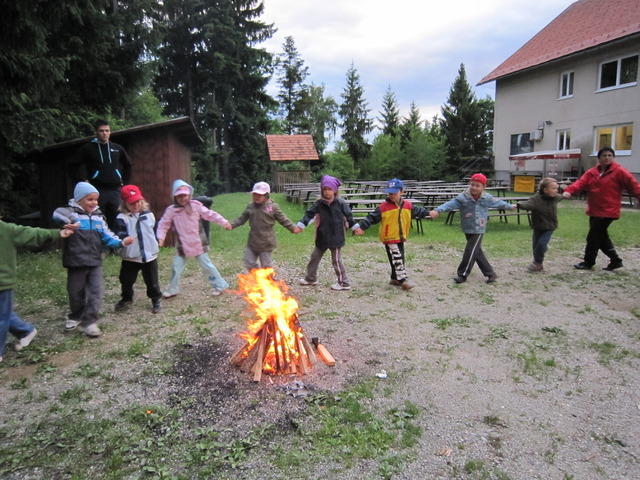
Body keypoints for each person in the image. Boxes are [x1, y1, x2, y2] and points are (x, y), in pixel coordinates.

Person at [52, 182, 133, 337]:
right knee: (75, 292)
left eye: (95, 199)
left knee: (96, 292)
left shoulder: (98, 217)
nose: (94, 203)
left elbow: (107, 235)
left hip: (95, 261)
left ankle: (90, 322)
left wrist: (121, 242)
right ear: (79, 199)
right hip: (75, 261)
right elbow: (56, 214)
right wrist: (68, 221)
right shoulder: (72, 213)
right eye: (89, 199)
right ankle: (75, 315)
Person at [0, 220, 73, 362]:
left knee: (1, 317)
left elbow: (32, 233)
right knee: (3, 312)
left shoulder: (5, 229)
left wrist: (57, 233)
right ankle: (25, 331)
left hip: (3, 283)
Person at [562, 147, 640, 270]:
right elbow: (580, 183)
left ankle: (588, 262)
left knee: (593, 237)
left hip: (608, 210)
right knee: (601, 237)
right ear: (599, 158)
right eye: (604, 155)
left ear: (613, 157)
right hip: (594, 210)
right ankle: (615, 260)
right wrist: (569, 191)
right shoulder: (592, 172)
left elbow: (634, 185)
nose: (607, 157)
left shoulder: (619, 172)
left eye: (610, 155)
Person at [429, 173, 516, 284]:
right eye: (472, 185)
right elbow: (450, 204)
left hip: (479, 228)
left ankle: (463, 274)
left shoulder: (487, 198)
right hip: (468, 227)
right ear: (469, 184)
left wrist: (510, 206)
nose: (474, 187)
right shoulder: (463, 198)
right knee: (476, 251)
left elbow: (498, 203)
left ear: (483, 187)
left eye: (477, 185)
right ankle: (490, 273)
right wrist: (438, 210)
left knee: (470, 251)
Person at [156, 179, 232, 297]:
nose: (182, 198)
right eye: (179, 196)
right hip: (182, 245)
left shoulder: (196, 206)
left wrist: (224, 222)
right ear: (175, 197)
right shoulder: (171, 210)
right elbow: (163, 224)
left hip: (198, 243)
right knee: (176, 268)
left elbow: (210, 214)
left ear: (189, 195)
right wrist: (160, 238)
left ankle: (220, 285)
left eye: (185, 195)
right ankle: (173, 289)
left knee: (207, 266)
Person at [353, 178, 429, 290]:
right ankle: (403, 280)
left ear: (402, 192)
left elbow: (418, 211)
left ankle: (394, 278)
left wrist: (429, 213)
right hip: (389, 237)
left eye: (394, 192)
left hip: (401, 236)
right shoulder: (383, 207)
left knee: (397, 257)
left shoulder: (408, 205)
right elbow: (371, 218)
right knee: (398, 257)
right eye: (390, 193)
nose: (391, 195)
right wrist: (362, 227)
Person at [69, 120, 132, 231]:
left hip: (115, 190)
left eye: (107, 131)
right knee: (97, 218)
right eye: (101, 131)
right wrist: (82, 180)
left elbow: (128, 165)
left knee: (116, 219)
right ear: (96, 133)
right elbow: (72, 164)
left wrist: (124, 183)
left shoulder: (117, 148)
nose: (104, 133)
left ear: (110, 132)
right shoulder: (88, 148)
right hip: (97, 190)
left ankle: (115, 246)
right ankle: (99, 246)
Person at [297, 175, 356, 291]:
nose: (327, 192)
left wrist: (355, 227)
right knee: (314, 257)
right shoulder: (319, 204)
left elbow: (349, 216)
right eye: (325, 189)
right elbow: (309, 215)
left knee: (337, 261)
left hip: (336, 237)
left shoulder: (341, 203)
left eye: (329, 189)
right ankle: (311, 278)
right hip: (322, 237)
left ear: (335, 190)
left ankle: (344, 282)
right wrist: (301, 225)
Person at [230, 182, 301, 271]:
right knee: (249, 262)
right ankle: (257, 277)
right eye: (254, 195)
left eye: (259, 195)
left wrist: (293, 228)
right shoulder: (250, 206)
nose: (256, 197)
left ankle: (268, 280)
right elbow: (241, 218)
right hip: (253, 241)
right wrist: (231, 225)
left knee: (266, 265)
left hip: (266, 242)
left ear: (267, 195)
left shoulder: (272, 207)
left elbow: (283, 219)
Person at [114, 185, 162, 314]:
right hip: (131, 256)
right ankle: (126, 298)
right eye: (131, 203)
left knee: (152, 280)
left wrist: (158, 239)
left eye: (137, 202)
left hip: (149, 255)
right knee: (126, 279)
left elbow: (155, 229)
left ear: (142, 201)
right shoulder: (122, 218)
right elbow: (119, 233)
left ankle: (155, 299)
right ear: (125, 204)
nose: (135, 206)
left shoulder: (149, 215)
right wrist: (124, 239)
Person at [517, 178, 562, 272]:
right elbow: (528, 204)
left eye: (556, 188)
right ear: (545, 190)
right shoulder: (536, 199)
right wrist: (519, 205)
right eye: (553, 188)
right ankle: (538, 262)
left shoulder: (555, 198)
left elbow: (562, 196)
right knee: (535, 245)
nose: (556, 191)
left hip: (549, 226)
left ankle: (537, 263)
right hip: (538, 226)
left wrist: (567, 193)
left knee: (541, 244)